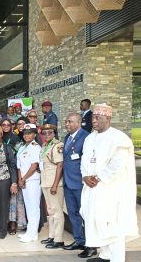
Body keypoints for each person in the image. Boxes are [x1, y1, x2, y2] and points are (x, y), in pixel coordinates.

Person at [80, 104, 138, 262]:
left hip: (110, 190)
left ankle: (117, 258)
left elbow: (117, 165)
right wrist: (85, 176)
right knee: (96, 221)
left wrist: (97, 178)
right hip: (91, 188)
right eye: (93, 117)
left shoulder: (119, 138)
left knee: (112, 224)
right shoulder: (90, 138)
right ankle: (105, 255)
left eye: (98, 117)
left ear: (108, 118)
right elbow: (84, 161)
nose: (94, 120)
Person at [62, 113, 96, 258]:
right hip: (68, 183)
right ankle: (79, 240)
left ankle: (92, 245)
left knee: (86, 215)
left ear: (79, 122)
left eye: (70, 121)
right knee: (73, 214)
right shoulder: (66, 138)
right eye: (66, 122)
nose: (67, 124)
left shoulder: (86, 137)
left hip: (80, 183)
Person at [39, 124, 65, 249]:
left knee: (57, 210)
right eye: (44, 133)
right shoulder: (45, 146)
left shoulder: (58, 145)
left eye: (50, 132)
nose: (47, 135)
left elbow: (60, 165)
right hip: (45, 181)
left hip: (54, 183)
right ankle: (52, 236)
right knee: (50, 210)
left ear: (54, 133)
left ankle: (58, 239)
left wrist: (55, 184)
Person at [17, 124, 41, 243]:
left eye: (29, 133)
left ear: (35, 134)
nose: (26, 135)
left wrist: (23, 179)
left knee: (33, 208)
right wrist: (20, 179)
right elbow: (19, 166)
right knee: (28, 207)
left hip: (32, 181)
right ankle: (30, 232)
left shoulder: (35, 147)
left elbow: (34, 166)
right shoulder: (23, 147)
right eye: (25, 133)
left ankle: (33, 234)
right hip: (25, 181)